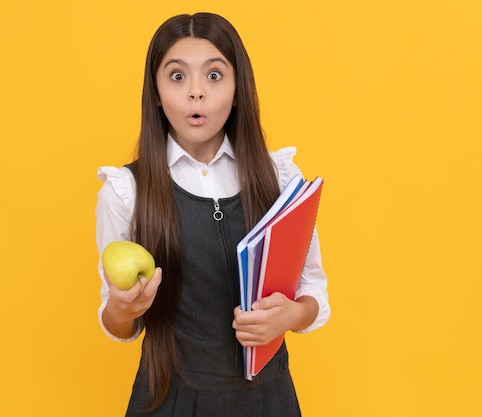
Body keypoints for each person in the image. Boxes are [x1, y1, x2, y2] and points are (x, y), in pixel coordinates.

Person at [95, 12, 330, 416]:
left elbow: (313, 289)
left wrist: (291, 315)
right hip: (170, 400)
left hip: (267, 401)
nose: (196, 93)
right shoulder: (125, 191)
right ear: (155, 91)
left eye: (215, 76)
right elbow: (118, 324)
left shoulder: (281, 179)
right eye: (177, 76)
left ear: (239, 90)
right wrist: (123, 308)